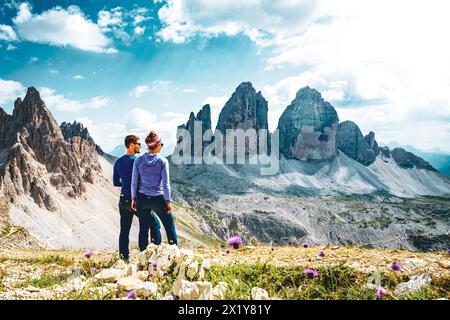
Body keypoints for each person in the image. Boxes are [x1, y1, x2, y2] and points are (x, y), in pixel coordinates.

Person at [131, 130, 178, 247]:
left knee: (143, 229)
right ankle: (175, 253)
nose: (161, 147)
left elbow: (134, 182)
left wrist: (134, 198)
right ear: (157, 145)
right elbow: (166, 184)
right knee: (169, 225)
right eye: (161, 145)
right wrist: (168, 201)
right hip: (158, 198)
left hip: (142, 199)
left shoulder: (138, 160)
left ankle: (143, 257)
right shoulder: (162, 161)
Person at [113, 135, 156, 260]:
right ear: (131, 145)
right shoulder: (138, 161)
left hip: (123, 201)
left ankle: (123, 258)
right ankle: (148, 257)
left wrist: (126, 183)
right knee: (153, 224)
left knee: (124, 231)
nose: (140, 146)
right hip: (136, 200)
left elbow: (116, 182)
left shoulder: (118, 162)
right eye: (138, 144)